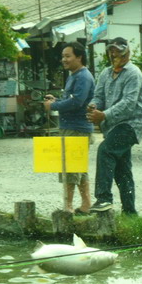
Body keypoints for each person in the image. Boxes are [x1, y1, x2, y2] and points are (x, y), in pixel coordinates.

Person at [86, 37, 142, 215]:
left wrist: (104, 115)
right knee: (123, 170)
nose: (114, 54)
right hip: (113, 125)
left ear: (127, 52)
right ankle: (130, 212)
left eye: (118, 50)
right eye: (111, 50)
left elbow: (129, 104)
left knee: (105, 150)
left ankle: (104, 198)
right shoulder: (106, 73)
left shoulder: (133, 73)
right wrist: (93, 106)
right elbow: (98, 96)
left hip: (132, 123)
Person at [44, 42, 95, 215]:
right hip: (71, 127)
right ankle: (86, 204)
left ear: (79, 57)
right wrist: (56, 99)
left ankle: (68, 206)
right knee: (78, 167)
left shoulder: (83, 76)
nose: (63, 60)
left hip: (77, 128)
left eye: (68, 56)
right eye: (63, 56)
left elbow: (77, 102)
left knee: (70, 168)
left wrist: (53, 106)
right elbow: (72, 98)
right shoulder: (74, 75)